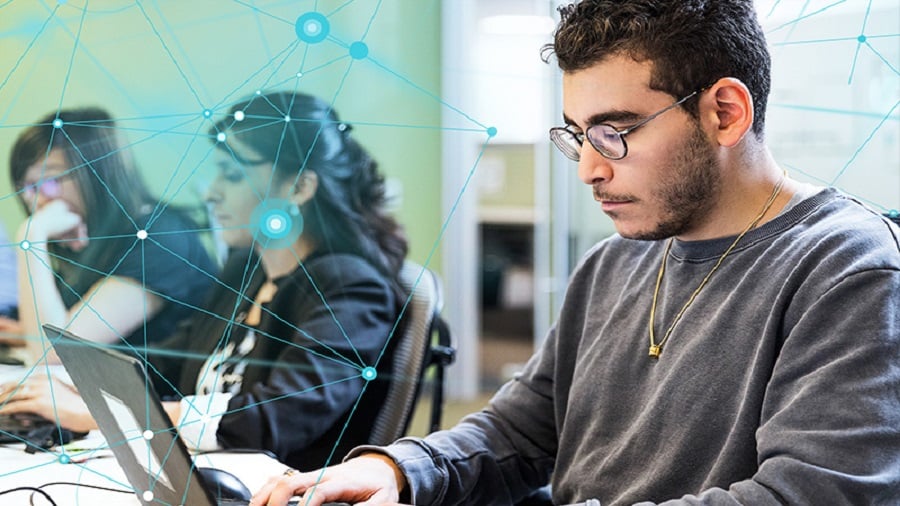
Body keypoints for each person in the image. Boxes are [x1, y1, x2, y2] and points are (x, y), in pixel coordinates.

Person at [249, 1, 900, 505]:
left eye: (614, 133)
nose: (588, 168)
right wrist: (393, 469)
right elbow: (519, 431)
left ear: (725, 113)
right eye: (578, 135)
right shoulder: (617, 261)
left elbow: (812, 494)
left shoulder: (847, 267)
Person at [1, 91, 410, 472]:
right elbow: (166, 360)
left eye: (232, 176)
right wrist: (67, 384)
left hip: (265, 485)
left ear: (300, 186)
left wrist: (105, 413)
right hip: (194, 469)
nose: (212, 193)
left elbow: (276, 417)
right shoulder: (246, 271)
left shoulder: (351, 289)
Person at [2, 107, 216, 360]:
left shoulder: (158, 238)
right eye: (25, 187)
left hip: (164, 397)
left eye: (49, 181)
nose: (34, 200)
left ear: (98, 173)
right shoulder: (86, 241)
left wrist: (31, 236)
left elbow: (54, 356)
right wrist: (24, 332)